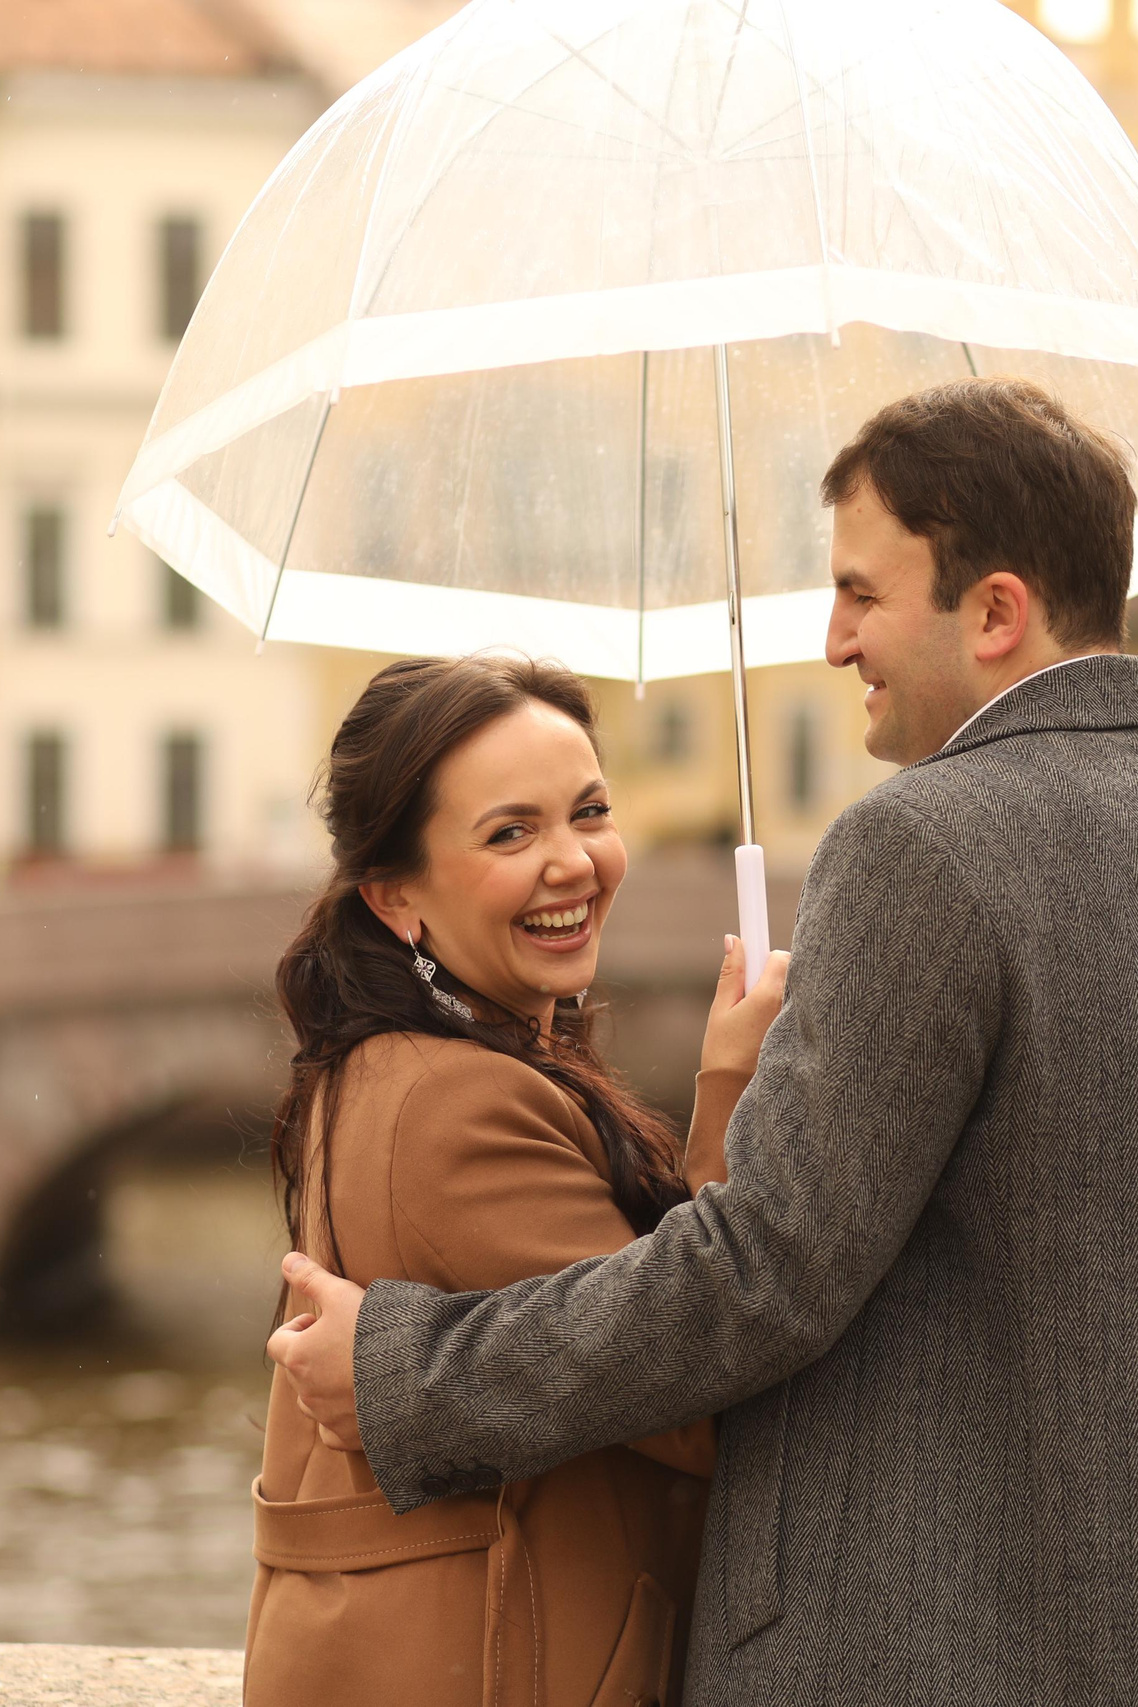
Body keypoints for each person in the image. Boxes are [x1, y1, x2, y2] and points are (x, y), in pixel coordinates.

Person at [271, 379, 1138, 1706]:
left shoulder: (922, 843)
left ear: (995, 611)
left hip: (962, 1656)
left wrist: (407, 1375)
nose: (832, 639)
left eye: (862, 593)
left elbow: (762, 1278)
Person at [247, 654, 788, 1707]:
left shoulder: (409, 1060)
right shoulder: (455, 1103)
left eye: (589, 812)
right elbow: (690, 1383)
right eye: (510, 833)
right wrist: (735, 1090)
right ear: (395, 897)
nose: (573, 862)